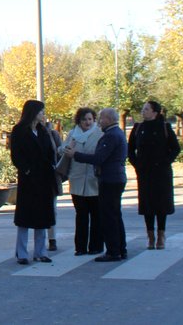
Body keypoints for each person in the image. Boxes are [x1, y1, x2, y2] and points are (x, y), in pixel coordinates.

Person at [67, 107, 127, 262]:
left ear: (109, 119)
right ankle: (119, 249)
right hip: (92, 179)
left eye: (100, 118)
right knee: (113, 215)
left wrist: (76, 155)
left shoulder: (110, 135)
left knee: (109, 217)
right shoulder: (114, 133)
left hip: (109, 179)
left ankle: (113, 251)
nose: (99, 121)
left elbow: (99, 158)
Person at [9, 100, 58, 264]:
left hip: (44, 179)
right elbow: (16, 155)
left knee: (42, 217)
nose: (43, 114)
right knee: (25, 218)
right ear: (33, 112)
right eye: (41, 111)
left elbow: (50, 151)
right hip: (28, 180)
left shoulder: (43, 130)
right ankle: (22, 253)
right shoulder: (19, 130)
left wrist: (51, 166)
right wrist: (27, 170)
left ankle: (40, 252)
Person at [128, 100, 180, 250]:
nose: (143, 111)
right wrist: (137, 165)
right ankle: (150, 236)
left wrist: (166, 162)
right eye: (143, 109)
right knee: (147, 204)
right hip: (144, 172)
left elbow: (175, 148)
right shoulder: (138, 128)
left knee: (161, 204)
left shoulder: (164, 127)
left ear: (155, 112)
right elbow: (130, 149)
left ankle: (161, 235)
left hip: (161, 173)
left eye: (146, 109)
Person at [60, 107, 103, 256]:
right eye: (84, 119)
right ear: (79, 120)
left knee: (96, 215)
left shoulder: (99, 134)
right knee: (81, 216)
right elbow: (61, 149)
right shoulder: (73, 134)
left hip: (94, 180)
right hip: (77, 179)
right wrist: (66, 148)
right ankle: (80, 247)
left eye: (90, 119)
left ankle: (96, 246)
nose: (87, 122)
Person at [45, 119, 62, 252]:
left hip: (51, 177)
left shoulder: (52, 134)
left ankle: (52, 239)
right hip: (35, 177)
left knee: (52, 209)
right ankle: (40, 240)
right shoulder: (28, 132)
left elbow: (60, 154)